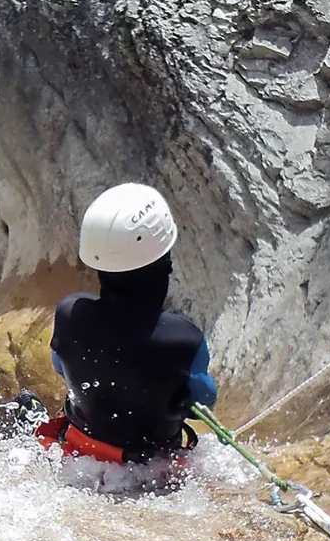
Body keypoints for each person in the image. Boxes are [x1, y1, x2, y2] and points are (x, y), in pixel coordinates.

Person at [17, 183, 218, 467]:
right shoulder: (185, 339)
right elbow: (205, 399)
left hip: (82, 452)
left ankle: (35, 425)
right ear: (166, 264)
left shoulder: (70, 313)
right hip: (151, 468)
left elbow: (62, 367)